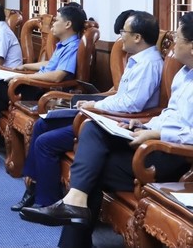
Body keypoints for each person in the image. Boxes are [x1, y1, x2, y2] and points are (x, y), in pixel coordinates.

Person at [19, 12, 193, 248]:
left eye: (179, 38)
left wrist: (157, 134)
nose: (173, 45)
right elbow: (170, 115)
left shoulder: (157, 66)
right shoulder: (184, 75)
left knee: (90, 169)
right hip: (150, 142)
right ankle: (74, 203)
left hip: (172, 156)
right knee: (91, 131)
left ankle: (72, 220)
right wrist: (145, 125)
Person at [11, 11, 163, 212]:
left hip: (116, 123)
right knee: (42, 124)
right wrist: (96, 100)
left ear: (137, 37)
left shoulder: (149, 65)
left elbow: (131, 106)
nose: (120, 36)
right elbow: (121, 97)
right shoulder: (137, 60)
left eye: (123, 32)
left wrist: (96, 105)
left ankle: (46, 201)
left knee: (45, 142)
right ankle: (34, 187)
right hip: (106, 115)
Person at [0, 4, 87, 164]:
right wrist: (26, 66)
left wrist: (28, 77)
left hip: (42, 91)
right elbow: (50, 64)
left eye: (56, 20)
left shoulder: (74, 46)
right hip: (34, 82)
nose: (53, 23)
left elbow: (57, 76)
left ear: (68, 24)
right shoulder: (63, 44)